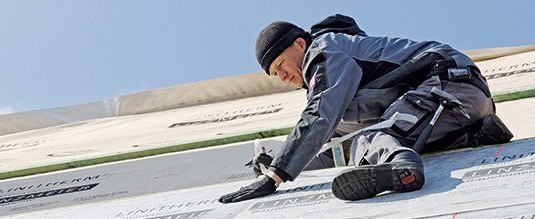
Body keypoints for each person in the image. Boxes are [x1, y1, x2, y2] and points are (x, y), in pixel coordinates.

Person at [219, 14, 512, 203]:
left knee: (376, 137)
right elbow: (337, 148)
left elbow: (319, 116)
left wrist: (275, 177)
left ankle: (403, 166)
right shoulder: (340, 86)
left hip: (446, 85)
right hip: (458, 103)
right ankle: (476, 135)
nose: (282, 77)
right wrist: (277, 162)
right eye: (275, 74)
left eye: (281, 65)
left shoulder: (325, 52)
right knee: (364, 141)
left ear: (299, 44)